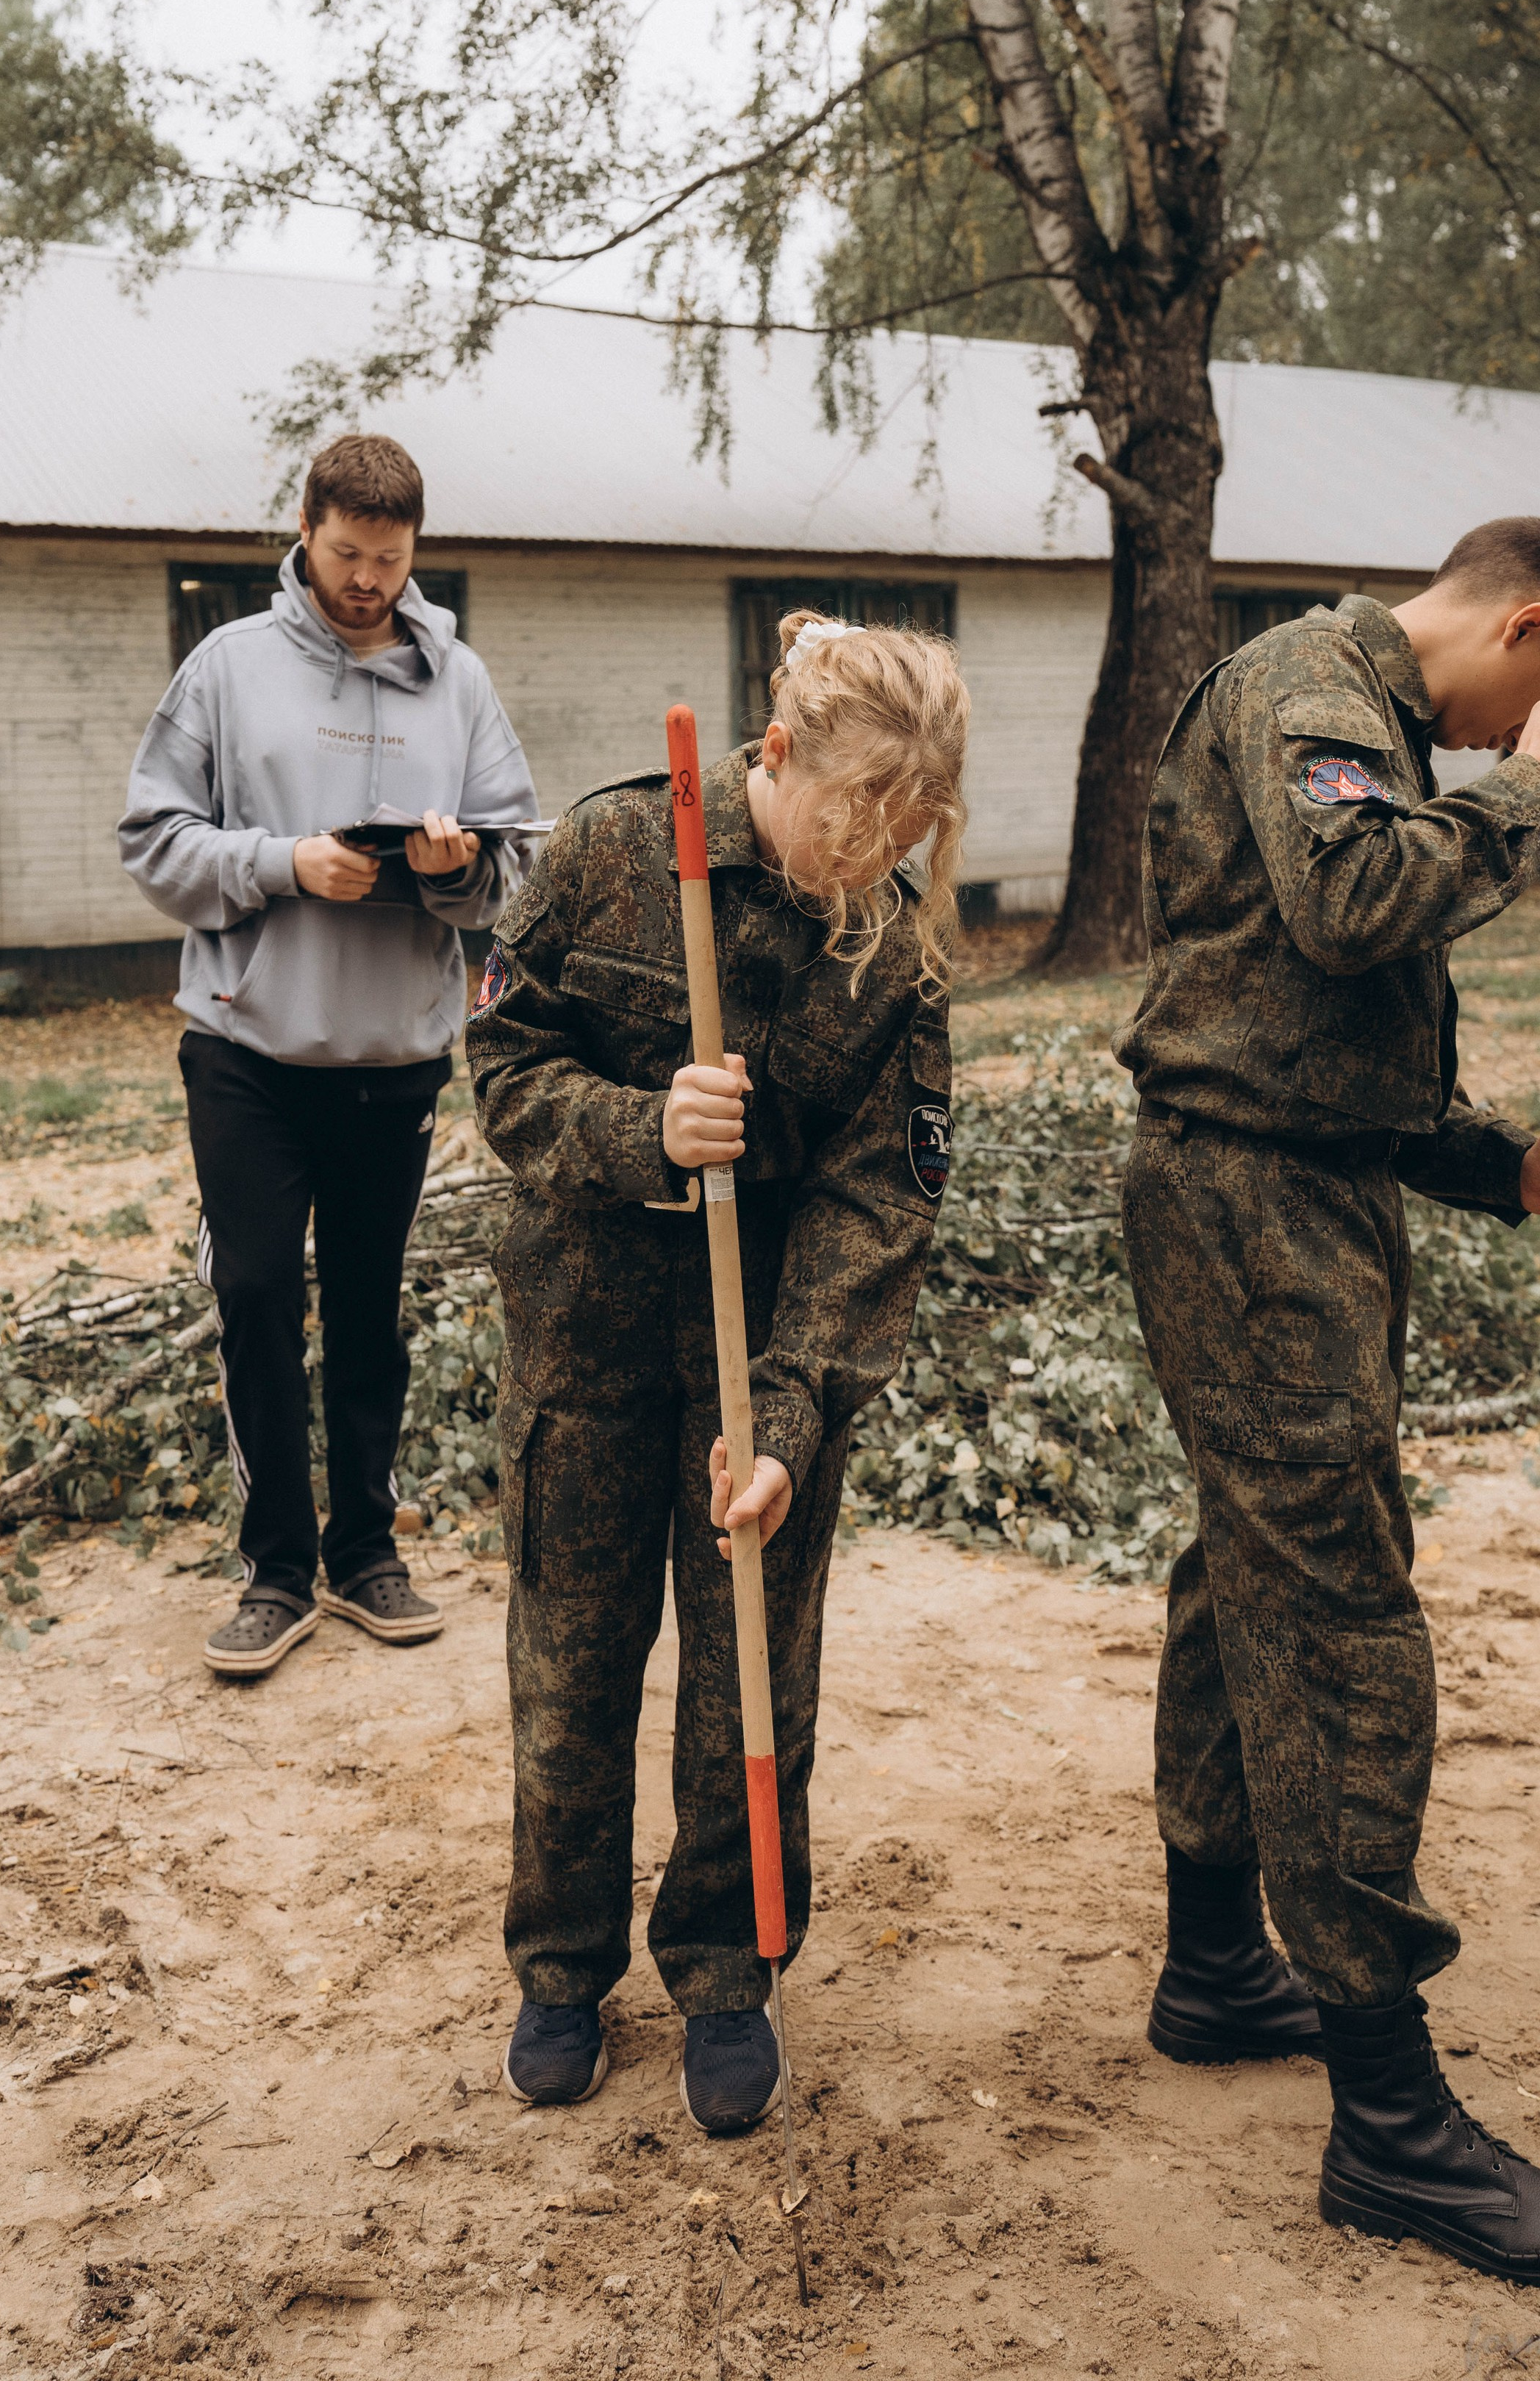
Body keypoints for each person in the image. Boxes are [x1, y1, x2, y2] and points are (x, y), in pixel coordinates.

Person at [1119, 516, 1540, 2284]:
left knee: (1247, 1570)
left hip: (1293, 1184)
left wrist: (1505, 1163)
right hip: (1245, 1209)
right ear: (1513, 618)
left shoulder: (1370, 720)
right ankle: (1393, 2120)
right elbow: (1352, 903)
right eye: (1526, 707)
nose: (1505, 744)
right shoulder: (1308, 688)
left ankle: (1213, 1958)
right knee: (1338, 1611)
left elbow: (1310, 1026)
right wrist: (1533, 799)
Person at [466, 612, 967, 2131]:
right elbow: (500, 1066)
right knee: (571, 1657)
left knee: (753, 1671)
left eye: (902, 834)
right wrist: (640, 1127)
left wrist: (800, 1406)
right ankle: (560, 1963)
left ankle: (729, 1965)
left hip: (763, 1366)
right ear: (774, 759)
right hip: (585, 1335)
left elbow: (883, 1195)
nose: (864, 861)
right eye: (846, 821)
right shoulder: (614, 850)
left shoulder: (894, 951)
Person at [120, 432, 539, 1680]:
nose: (367, 579)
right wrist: (282, 862)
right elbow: (152, 841)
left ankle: (365, 1551)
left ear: (417, 551)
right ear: (304, 528)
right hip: (248, 1050)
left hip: (394, 1056)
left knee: (368, 1308)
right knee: (256, 1294)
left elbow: (519, 867)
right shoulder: (227, 669)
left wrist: (459, 875)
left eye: (390, 559)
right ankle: (275, 1569)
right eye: (348, 553)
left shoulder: (456, 682)